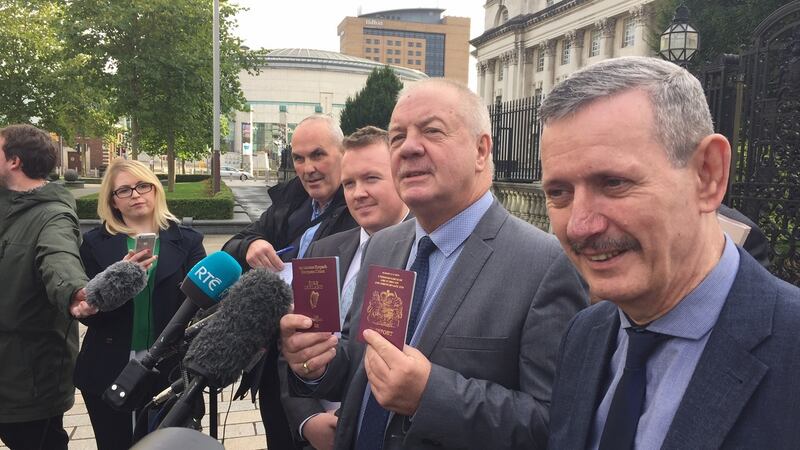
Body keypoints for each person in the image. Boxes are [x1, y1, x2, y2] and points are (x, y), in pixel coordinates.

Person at [280, 79, 588, 449]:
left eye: (432, 131)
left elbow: (554, 424)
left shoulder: (545, 265)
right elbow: (362, 365)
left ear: (480, 150)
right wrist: (318, 362)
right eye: (397, 137)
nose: (409, 147)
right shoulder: (383, 247)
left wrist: (431, 395)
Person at [541, 57, 800, 450]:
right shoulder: (584, 334)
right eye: (559, 192)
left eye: (614, 183)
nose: (580, 225)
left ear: (708, 174)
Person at [223, 114, 358, 449]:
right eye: (298, 158)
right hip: (274, 359)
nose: (307, 168)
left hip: (326, 367)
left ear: (343, 153)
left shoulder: (361, 209)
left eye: (318, 155)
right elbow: (235, 243)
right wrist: (251, 246)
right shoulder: (291, 200)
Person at [280, 125, 410, 450]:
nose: (357, 193)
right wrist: (307, 420)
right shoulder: (324, 250)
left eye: (371, 179)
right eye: (349, 183)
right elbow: (297, 343)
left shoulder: (423, 257)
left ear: (401, 177)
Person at [74, 159, 206, 449]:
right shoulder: (94, 243)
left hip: (169, 367)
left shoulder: (188, 241)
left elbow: (201, 304)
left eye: (142, 185)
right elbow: (88, 313)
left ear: (155, 190)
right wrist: (118, 280)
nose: (136, 194)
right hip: (107, 366)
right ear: (113, 202)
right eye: (124, 190)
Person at [0, 124, 95, 449]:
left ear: (14, 160)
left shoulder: (52, 216)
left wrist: (76, 293)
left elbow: (59, 259)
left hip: (27, 379)